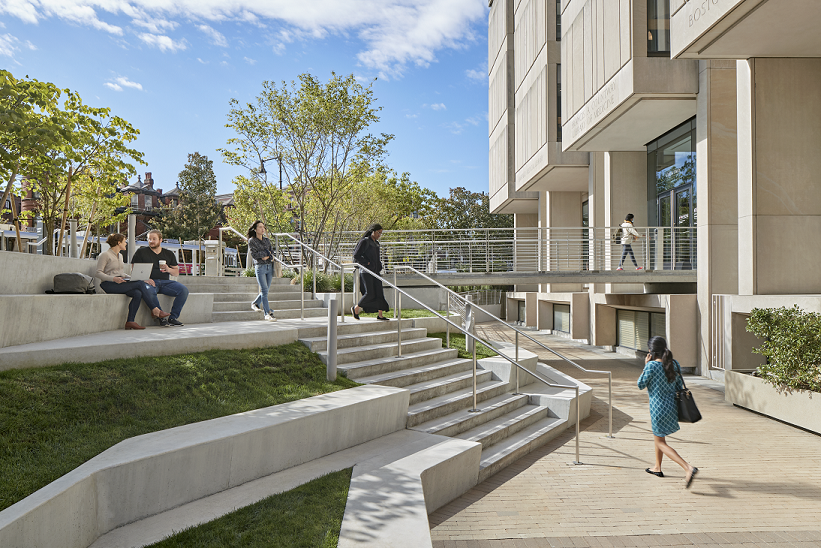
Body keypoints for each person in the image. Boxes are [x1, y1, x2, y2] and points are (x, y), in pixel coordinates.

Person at [637, 336, 698, 488]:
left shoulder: (651, 366)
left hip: (657, 408)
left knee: (660, 441)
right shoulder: (674, 364)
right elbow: (678, 385)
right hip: (672, 407)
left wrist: (645, 365)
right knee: (659, 438)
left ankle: (687, 467)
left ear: (651, 351)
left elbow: (640, 384)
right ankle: (657, 468)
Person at [96, 233, 169, 330]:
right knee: (140, 284)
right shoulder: (105, 255)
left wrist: (137, 277)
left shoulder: (120, 256)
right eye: (124, 241)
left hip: (120, 282)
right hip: (108, 284)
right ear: (118, 243)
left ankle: (130, 321)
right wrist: (114, 279)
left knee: (137, 293)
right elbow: (98, 273)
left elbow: (121, 273)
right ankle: (155, 310)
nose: (126, 243)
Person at [131, 229, 189, 327]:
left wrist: (168, 269)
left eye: (154, 239)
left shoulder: (168, 254)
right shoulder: (141, 252)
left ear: (160, 240)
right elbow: (134, 270)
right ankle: (161, 318)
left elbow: (176, 273)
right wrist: (145, 279)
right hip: (149, 282)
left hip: (166, 282)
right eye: (149, 239)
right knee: (149, 290)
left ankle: (173, 318)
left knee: (183, 290)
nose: (151, 241)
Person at [351, 223, 390, 321]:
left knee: (379, 293)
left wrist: (379, 265)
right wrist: (367, 263)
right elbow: (356, 255)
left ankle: (380, 315)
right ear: (373, 231)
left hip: (376, 272)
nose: (379, 235)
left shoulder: (376, 243)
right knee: (370, 293)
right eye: (378, 233)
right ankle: (356, 309)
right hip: (366, 272)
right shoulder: (364, 242)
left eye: (381, 233)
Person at [247, 220, 276, 322]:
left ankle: (255, 303)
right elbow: (254, 255)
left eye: (263, 227)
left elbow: (272, 253)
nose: (262, 229)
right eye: (260, 227)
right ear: (255, 229)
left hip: (269, 267)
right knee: (264, 290)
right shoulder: (252, 241)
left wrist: (266, 254)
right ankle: (267, 313)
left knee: (266, 290)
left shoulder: (267, 240)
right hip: (260, 267)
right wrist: (265, 254)